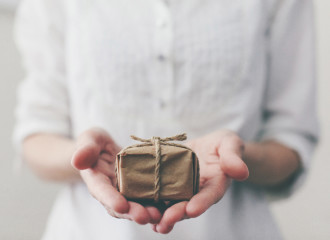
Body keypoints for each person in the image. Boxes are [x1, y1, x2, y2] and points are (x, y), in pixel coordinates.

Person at [13, 0, 318, 239]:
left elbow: (291, 140)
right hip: (88, 231)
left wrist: (236, 156)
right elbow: (37, 134)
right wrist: (84, 155)